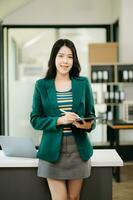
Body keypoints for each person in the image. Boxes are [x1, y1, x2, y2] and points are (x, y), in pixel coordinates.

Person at [30, 39, 96, 200]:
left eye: (70, 57)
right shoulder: (41, 85)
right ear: (54, 58)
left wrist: (84, 124)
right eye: (61, 56)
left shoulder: (83, 83)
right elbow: (35, 119)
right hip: (52, 150)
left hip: (78, 149)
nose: (65, 61)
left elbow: (91, 117)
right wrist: (59, 121)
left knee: (74, 197)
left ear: (74, 60)